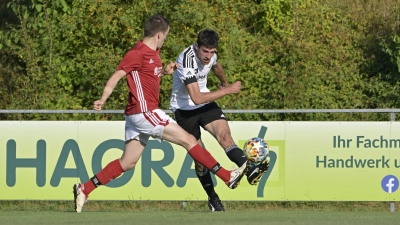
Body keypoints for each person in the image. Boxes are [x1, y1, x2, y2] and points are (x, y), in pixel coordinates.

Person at [73, 15, 247, 213]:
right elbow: (117, 75)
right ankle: (227, 176)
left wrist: (164, 72)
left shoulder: (154, 53)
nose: (166, 39)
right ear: (159, 34)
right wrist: (103, 98)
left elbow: (146, 75)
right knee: (189, 140)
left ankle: (84, 188)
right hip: (144, 111)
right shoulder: (137, 53)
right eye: (166, 35)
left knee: (127, 162)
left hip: (135, 114)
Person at [169, 29, 270, 212]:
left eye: (212, 51)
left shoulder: (211, 56)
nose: (208, 56)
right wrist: (228, 90)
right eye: (205, 52)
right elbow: (197, 98)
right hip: (184, 110)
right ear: (196, 46)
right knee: (200, 160)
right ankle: (213, 197)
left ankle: (248, 168)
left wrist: (223, 81)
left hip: (206, 105)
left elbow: (216, 66)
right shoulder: (186, 60)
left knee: (225, 137)